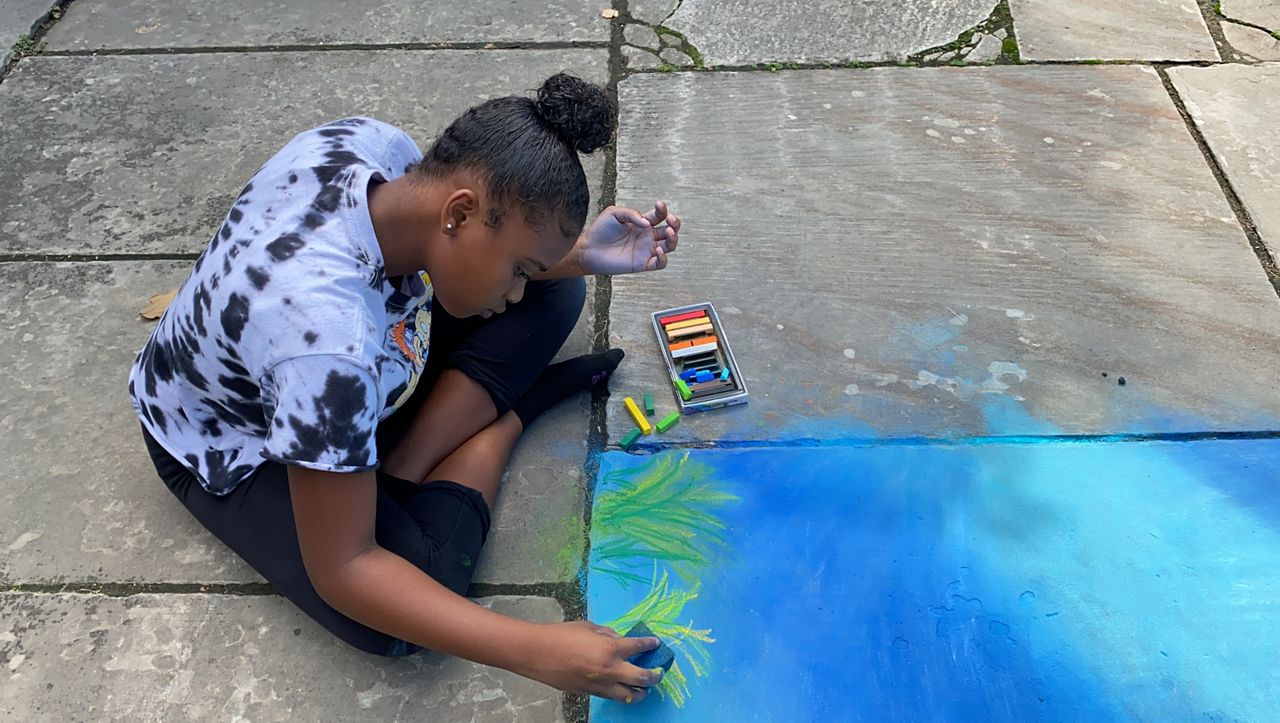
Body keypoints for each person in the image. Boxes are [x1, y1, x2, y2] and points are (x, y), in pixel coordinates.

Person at [129, 72, 680, 704]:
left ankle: (400, 465)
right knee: (414, 594)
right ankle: (507, 419)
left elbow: (443, 263)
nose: (517, 288)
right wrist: (538, 649)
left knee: (562, 292)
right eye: (518, 269)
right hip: (226, 441)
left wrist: (578, 254)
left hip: (336, 368)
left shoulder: (374, 149)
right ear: (461, 211)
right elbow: (344, 569)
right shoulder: (326, 347)